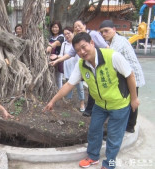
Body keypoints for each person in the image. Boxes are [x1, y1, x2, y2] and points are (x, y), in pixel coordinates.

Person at [43, 32, 139, 169]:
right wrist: (53, 101)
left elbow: (130, 75)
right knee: (94, 130)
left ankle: (109, 164)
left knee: (114, 136)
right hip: (100, 105)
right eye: (77, 50)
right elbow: (69, 84)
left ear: (92, 43)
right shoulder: (81, 64)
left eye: (84, 47)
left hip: (119, 105)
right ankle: (93, 157)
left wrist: (134, 99)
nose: (82, 52)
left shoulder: (112, 56)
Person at [50, 20, 109, 116]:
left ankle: (99, 108)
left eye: (79, 26)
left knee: (99, 86)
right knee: (92, 87)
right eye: (75, 26)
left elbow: (106, 47)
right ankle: (90, 109)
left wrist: (106, 61)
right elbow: (69, 54)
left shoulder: (93, 34)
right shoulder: (76, 42)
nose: (77, 28)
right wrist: (56, 60)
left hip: (101, 64)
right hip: (87, 66)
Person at [99, 20, 145, 133]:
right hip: (127, 75)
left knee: (132, 101)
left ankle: (129, 126)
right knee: (130, 100)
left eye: (106, 31)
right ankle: (129, 125)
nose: (104, 34)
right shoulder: (113, 41)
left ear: (114, 30)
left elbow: (110, 56)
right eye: (102, 32)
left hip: (132, 76)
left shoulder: (119, 41)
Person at [60, 27, 85, 112]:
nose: (67, 35)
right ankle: (69, 102)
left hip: (77, 69)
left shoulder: (77, 43)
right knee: (68, 86)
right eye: (65, 34)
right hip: (67, 68)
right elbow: (61, 55)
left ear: (73, 33)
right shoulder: (64, 44)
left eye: (68, 33)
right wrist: (56, 58)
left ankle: (82, 103)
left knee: (80, 88)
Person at [46, 21, 65, 89]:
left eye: (56, 27)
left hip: (58, 59)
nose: (54, 29)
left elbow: (57, 43)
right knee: (51, 76)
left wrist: (50, 46)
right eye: (53, 27)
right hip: (50, 59)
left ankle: (60, 92)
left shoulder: (61, 37)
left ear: (59, 28)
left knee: (58, 77)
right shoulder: (51, 37)